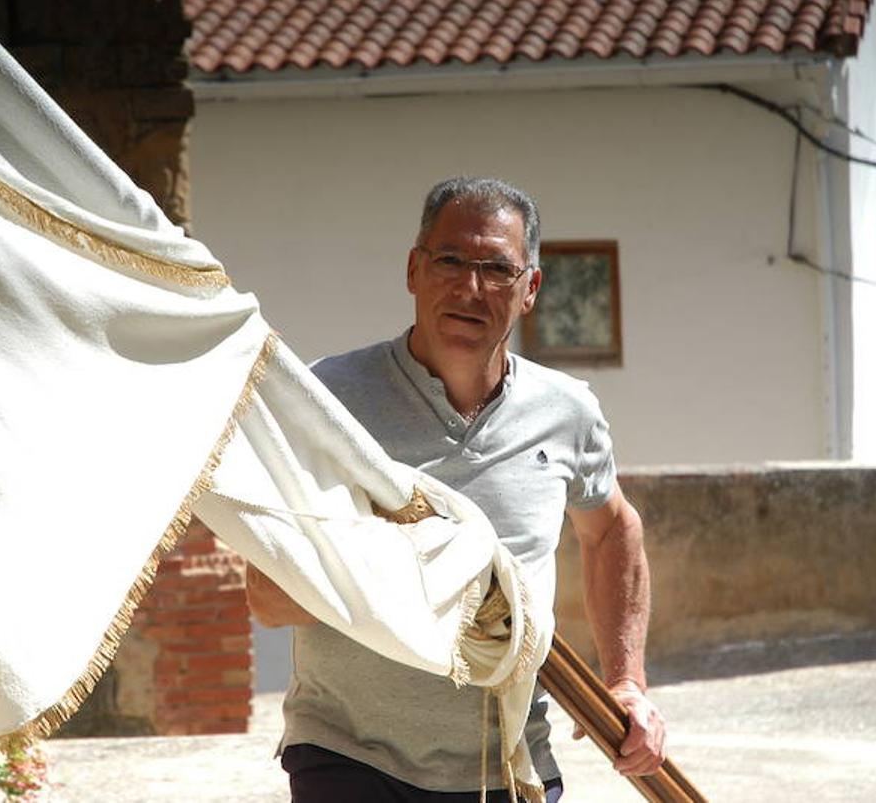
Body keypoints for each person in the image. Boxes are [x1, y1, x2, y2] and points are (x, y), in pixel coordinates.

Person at [246, 177, 666, 801]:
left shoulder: (567, 411)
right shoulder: (327, 400)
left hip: (511, 760)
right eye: (449, 261)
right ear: (413, 270)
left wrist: (626, 679)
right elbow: (270, 599)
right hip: (349, 756)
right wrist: (425, 574)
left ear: (531, 290)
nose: (470, 288)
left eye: (498, 269)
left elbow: (612, 530)